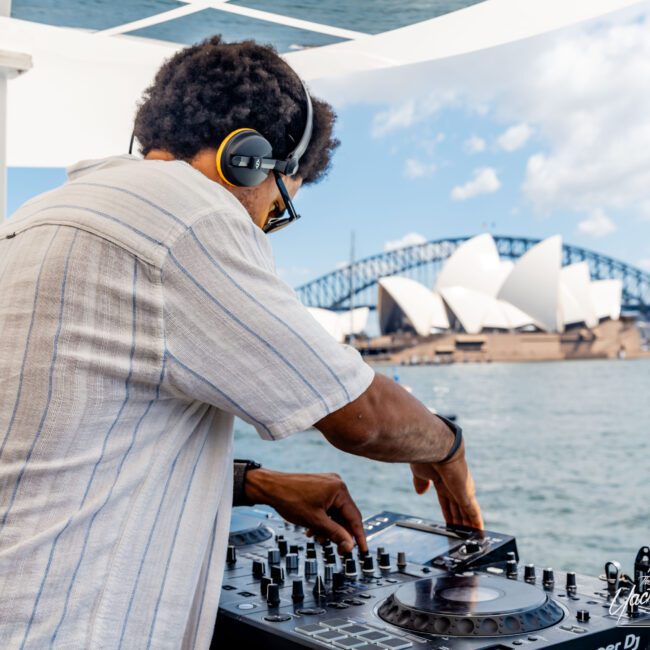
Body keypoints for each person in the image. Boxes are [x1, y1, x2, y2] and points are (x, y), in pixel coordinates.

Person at [0, 36, 482, 648]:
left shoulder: (32, 219)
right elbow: (363, 417)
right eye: (278, 209)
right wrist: (450, 448)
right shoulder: (189, 220)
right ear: (247, 160)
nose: (266, 230)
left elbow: (55, 448)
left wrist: (252, 483)